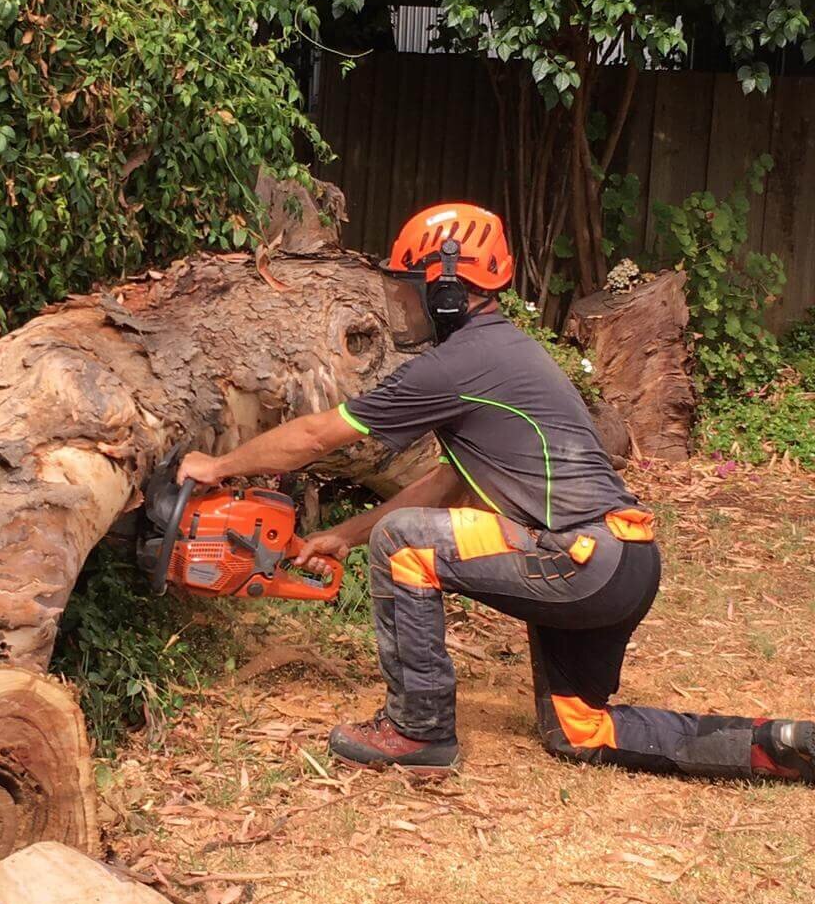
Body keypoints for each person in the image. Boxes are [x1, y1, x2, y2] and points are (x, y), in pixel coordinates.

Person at [178, 202, 812, 784]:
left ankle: (417, 730)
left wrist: (218, 466)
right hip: (626, 561)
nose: (408, 305)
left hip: (583, 560)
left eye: (414, 287)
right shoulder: (506, 355)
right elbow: (450, 480)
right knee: (579, 730)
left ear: (448, 289)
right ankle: (777, 745)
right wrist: (344, 535)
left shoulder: (459, 363)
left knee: (407, 545)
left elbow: (318, 434)